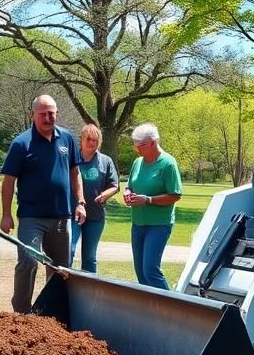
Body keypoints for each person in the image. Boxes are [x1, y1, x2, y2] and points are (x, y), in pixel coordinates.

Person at [0, 94, 86, 313]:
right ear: (33, 115)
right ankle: (21, 312)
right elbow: (8, 181)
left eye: (52, 113)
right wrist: (6, 214)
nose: (48, 118)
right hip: (31, 216)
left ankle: (51, 313)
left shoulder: (66, 138)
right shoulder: (21, 143)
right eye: (43, 114)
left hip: (60, 217)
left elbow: (76, 173)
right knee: (28, 261)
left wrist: (81, 202)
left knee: (59, 269)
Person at [123, 123, 182, 290]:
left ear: (152, 143)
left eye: (139, 145)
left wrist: (148, 199)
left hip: (158, 225)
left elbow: (175, 195)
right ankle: (151, 311)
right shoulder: (137, 163)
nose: (137, 150)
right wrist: (127, 192)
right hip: (137, 224)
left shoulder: (168, 164)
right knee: (141, 272)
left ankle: (172, 307)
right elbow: (130, 185)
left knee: (150, 270)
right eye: (135, 146)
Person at [70, 124, 120, 272]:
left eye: (95, 140)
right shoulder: (72, 159)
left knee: (89, 257)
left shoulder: (105, 161)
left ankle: (89, 291)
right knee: (69, 251)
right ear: (82, 140)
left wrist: (104, 195)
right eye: (89, 139)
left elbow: (114, 185)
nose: (92, 143)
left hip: (95, 216)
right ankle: (63, 287)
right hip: (73, 214)